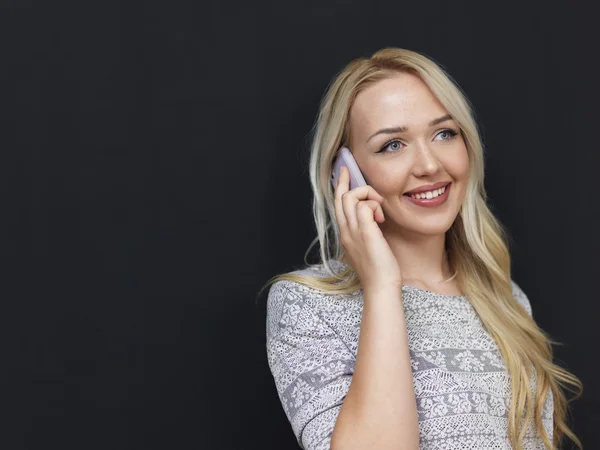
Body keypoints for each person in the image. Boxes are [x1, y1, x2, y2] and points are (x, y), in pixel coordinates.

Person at [260, 48, 582, 450]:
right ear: (346, 172)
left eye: (444, 133)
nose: (429, 165)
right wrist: (381, 285)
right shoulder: (306, 305)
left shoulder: (507, 300)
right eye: (393, 145)